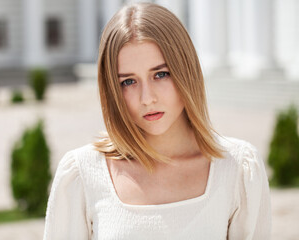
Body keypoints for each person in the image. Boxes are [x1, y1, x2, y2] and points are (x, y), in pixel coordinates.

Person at [43, 2, 271, 240]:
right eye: (128, 81)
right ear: (112, 89)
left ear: (186, 70)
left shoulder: (237, 169)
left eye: (160, 74)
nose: (147, 98)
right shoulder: (82, 175)